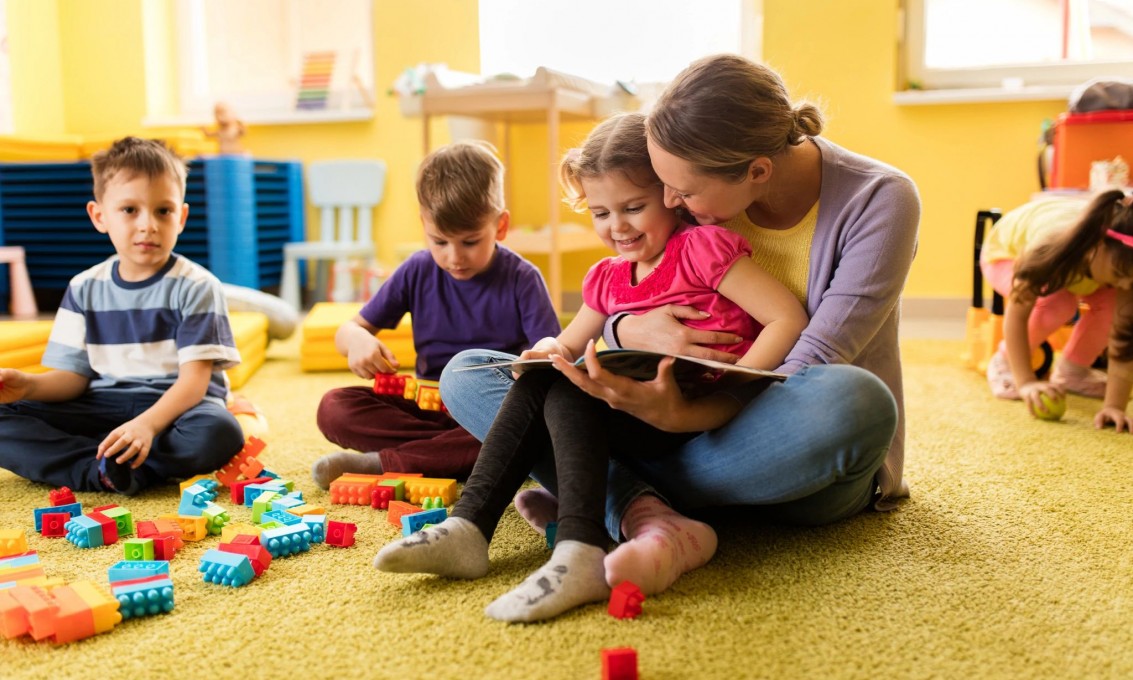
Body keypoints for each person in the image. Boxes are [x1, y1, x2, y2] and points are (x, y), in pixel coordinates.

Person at [440, 54, 920, 596]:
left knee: (855, 402)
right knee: (468, 372)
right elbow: (636, 285)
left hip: (777, 441)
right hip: (657, 417)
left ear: (757, 171)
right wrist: (624, 335)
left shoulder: (879, 200)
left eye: (683, 194)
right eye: (664, 187)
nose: (672, 203)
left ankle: (604, 489)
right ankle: (650, 512)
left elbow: (812, 357)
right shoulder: (690, 180)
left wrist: (684, 417)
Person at [375, 113, 808, 622]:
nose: (617, 226)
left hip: (689, 415)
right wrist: (541, 349)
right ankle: (470, 528)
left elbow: (785, 317)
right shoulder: (606, 278)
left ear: (670, 194)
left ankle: (579, 545)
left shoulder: (700, 250)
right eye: (601, 213)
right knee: (521, 374)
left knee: (567, 384)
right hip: (622, 419)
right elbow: (565, 343)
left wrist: (732, 391)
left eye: (633, 207)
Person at [0, 137, 245, 495]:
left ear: (182, 217)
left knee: (218, 432)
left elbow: (193, 383)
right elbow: (73, 378)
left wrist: (146, 425)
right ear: (99, 216)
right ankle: (97, 466)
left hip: (177, 408)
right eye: (130, 210)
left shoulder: (197, 285)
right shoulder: (83, 287)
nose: (148, 225)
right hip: (103, 403)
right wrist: (29, 385)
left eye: (163, 211)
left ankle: (120, 461)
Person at [310, 140, 560, 488]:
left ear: (500, 227)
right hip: (427, 408)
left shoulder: (523, 278)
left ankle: (386, 464)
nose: (454, 257)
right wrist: (357, 339)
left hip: (489, 411)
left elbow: (550, 357)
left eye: (470, 242)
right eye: (440, 242)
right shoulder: (416, 269)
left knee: (527, 428)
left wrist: (544, 353)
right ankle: (443, 454)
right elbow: (349, 329)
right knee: (334, 407)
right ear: (423, 224)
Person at [982, 190, 1133, 425]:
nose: (1125, 284)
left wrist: (1114, 406)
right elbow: (1018, 314)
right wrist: (1026, 382)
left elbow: (1124, 335)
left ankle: (1074, 370)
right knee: (1057, 303)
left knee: (1115, 305)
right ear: (1097, 246)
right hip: (1006, 256)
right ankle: (1004, 360)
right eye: (1121, 275)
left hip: (1078, 266)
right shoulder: (1047, 246)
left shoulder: (1122, 264)